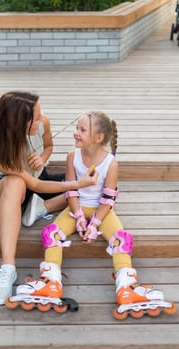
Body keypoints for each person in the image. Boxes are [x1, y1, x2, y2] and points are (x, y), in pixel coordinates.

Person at [17, 111, 175, 318]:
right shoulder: (73, 156)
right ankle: (51, 281)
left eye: (82, 130)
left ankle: (126, 287)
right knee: (51, 233)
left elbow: (108, 198)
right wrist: (80, 218)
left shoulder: (111, 163)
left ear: (98, 138)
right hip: (76, 208)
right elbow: (71, 190)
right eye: (77, 128)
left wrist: (95, 224)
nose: (76, 133)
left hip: (103, 211)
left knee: (121, 238)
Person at [0, 91, 98, 305]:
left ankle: (40, 208)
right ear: (20, 124)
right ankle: (8, 268)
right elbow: (33, 185)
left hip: (38, 177)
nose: (42, 118)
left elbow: (48, 147)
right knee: (16, 182)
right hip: (9, 189)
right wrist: (78, 184)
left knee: (97, 185)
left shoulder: (43, 122)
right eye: (36, 117)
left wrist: (42, 158)